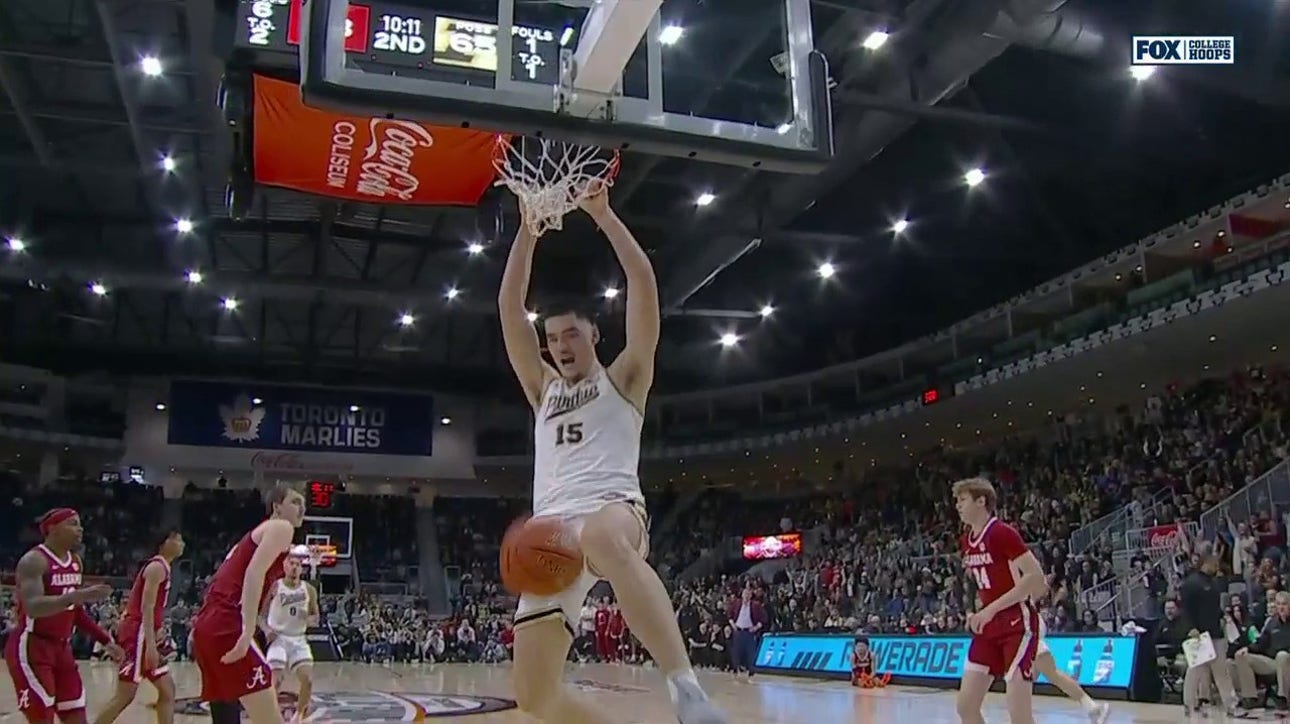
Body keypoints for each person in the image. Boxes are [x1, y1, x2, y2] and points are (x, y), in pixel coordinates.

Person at [498, 183, 725, 723]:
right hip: (552, 539)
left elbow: (642, 284)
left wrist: (603, 215)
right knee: (534, 694)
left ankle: (686, 690)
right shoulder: (543, 390)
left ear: (594, 333)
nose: (561, 346)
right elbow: (509, 306)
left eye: (572, 334)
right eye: (553, 339)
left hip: (613, 512)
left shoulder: (624, 378)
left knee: (601, 534)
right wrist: (527, 232)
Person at [190, 486, 306, 724]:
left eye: (304, 503)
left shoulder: (254, 535)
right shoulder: (281, 527)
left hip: (209, 624)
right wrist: (247, 631)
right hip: (227, 622)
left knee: (226, 714)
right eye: (295, 501)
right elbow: (254, 573)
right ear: (277, 507)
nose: (302, 507)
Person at [4, 508, 121, 724]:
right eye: (73, 524)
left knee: (76, 717)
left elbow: (74, 611)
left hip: (62, 649)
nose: (80, 529)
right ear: (52, 529)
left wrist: (105, 640)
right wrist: (77, 596)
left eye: (79, 524)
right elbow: (33, 607)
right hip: (32, 648)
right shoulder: (34, 560)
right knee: (42, 718)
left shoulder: (75, 561)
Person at [953, 478, 1048, 724]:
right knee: (966, 706)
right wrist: (975, 611)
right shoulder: (967, 541)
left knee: (1019, 714)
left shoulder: (1002, 533)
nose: (957, 506)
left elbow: (1035, 576)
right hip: (989, 624)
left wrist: (990, 610)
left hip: (1017, 622)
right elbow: (983, 583)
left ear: (981, 500)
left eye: (962, 500)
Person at [93, 531, 186, 724]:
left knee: (167, 689)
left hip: (146, 632)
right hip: (138, 633)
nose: (181, 543)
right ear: (163, 543)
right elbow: (147, 606)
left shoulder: (163, 567)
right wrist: (151, 646)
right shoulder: (156, 567)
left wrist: (158, 628)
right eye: (177, 539)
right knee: (126, 694)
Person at [1178, 551, 1250, 718]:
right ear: (1206, 562)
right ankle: (1189, 703)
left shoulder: (1214, 583)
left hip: (1216, 633)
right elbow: (1185, 609)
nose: (1217, 566)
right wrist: (1190, 628)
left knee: (1221, 671)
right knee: (1195, 670)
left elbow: (1212, 607)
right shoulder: (1191, 583)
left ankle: (1231, 705)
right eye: (1214, 563)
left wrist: (1222, 616)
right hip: (1199, 634)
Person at [261, 552, 319, 721]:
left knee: (307, 680)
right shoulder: (275, 586)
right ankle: (271, 716)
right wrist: (266, 630)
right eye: (291, 563)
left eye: (298, 564)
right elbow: (260, 615)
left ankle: (298, 717)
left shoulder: (309, 589)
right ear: (284, 567)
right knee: (276, 681)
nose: (294, 567)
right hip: (278, 638)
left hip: (298, 639)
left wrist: (307, 618)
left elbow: (316, 618)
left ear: (301, 569)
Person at [1031, 631, 1110, 722]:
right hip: (1020, 642)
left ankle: (1093, 708)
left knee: (1052, 674)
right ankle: (1092, 707)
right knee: (1025, 681)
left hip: (1027, 640)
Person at [1232, 590, 1290, 711]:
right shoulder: (1272, 622)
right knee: (1241, 656)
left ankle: (1283, 697)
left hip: (1286, 660)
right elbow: (1261, 642)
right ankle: (1250, 697)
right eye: (1278, 604)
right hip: (1272, 661)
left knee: (1282, 655)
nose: (1281, 607)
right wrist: (1247, 648)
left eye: (1284, 604)